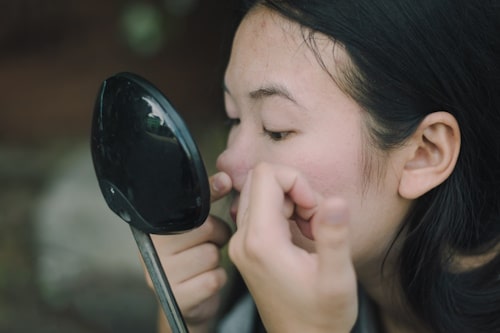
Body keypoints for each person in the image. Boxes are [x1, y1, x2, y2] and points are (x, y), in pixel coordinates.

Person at [147, 0, 500, 332]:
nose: (228, 161)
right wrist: (182, 318)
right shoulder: (275, 290)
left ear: (424, 154)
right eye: (233, 118)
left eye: (277, 129)